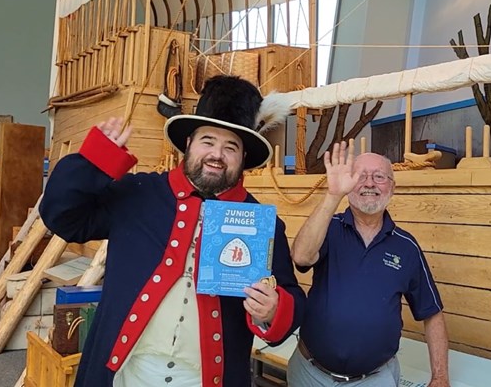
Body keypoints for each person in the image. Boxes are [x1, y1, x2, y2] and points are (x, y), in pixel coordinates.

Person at [40, 75, 305, 387]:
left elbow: (291, 297)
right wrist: (95, 162)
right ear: (189, 143)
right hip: (126, 375)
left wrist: (271, 310)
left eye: (230, 146)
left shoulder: (263, 223)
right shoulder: (137, 193)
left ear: (243, 158)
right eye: (208, 141)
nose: (216, 155)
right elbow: (63, 217)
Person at [288, 140, 450, 387]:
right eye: (360, 176)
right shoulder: (328, 228)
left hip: (375, 379)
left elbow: (433, 314)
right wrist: (333, 195)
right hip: (310, 375)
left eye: (379, 177)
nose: (370, 183)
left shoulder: (406, 247)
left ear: (392, 188)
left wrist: (440, 377)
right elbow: (300, 256)